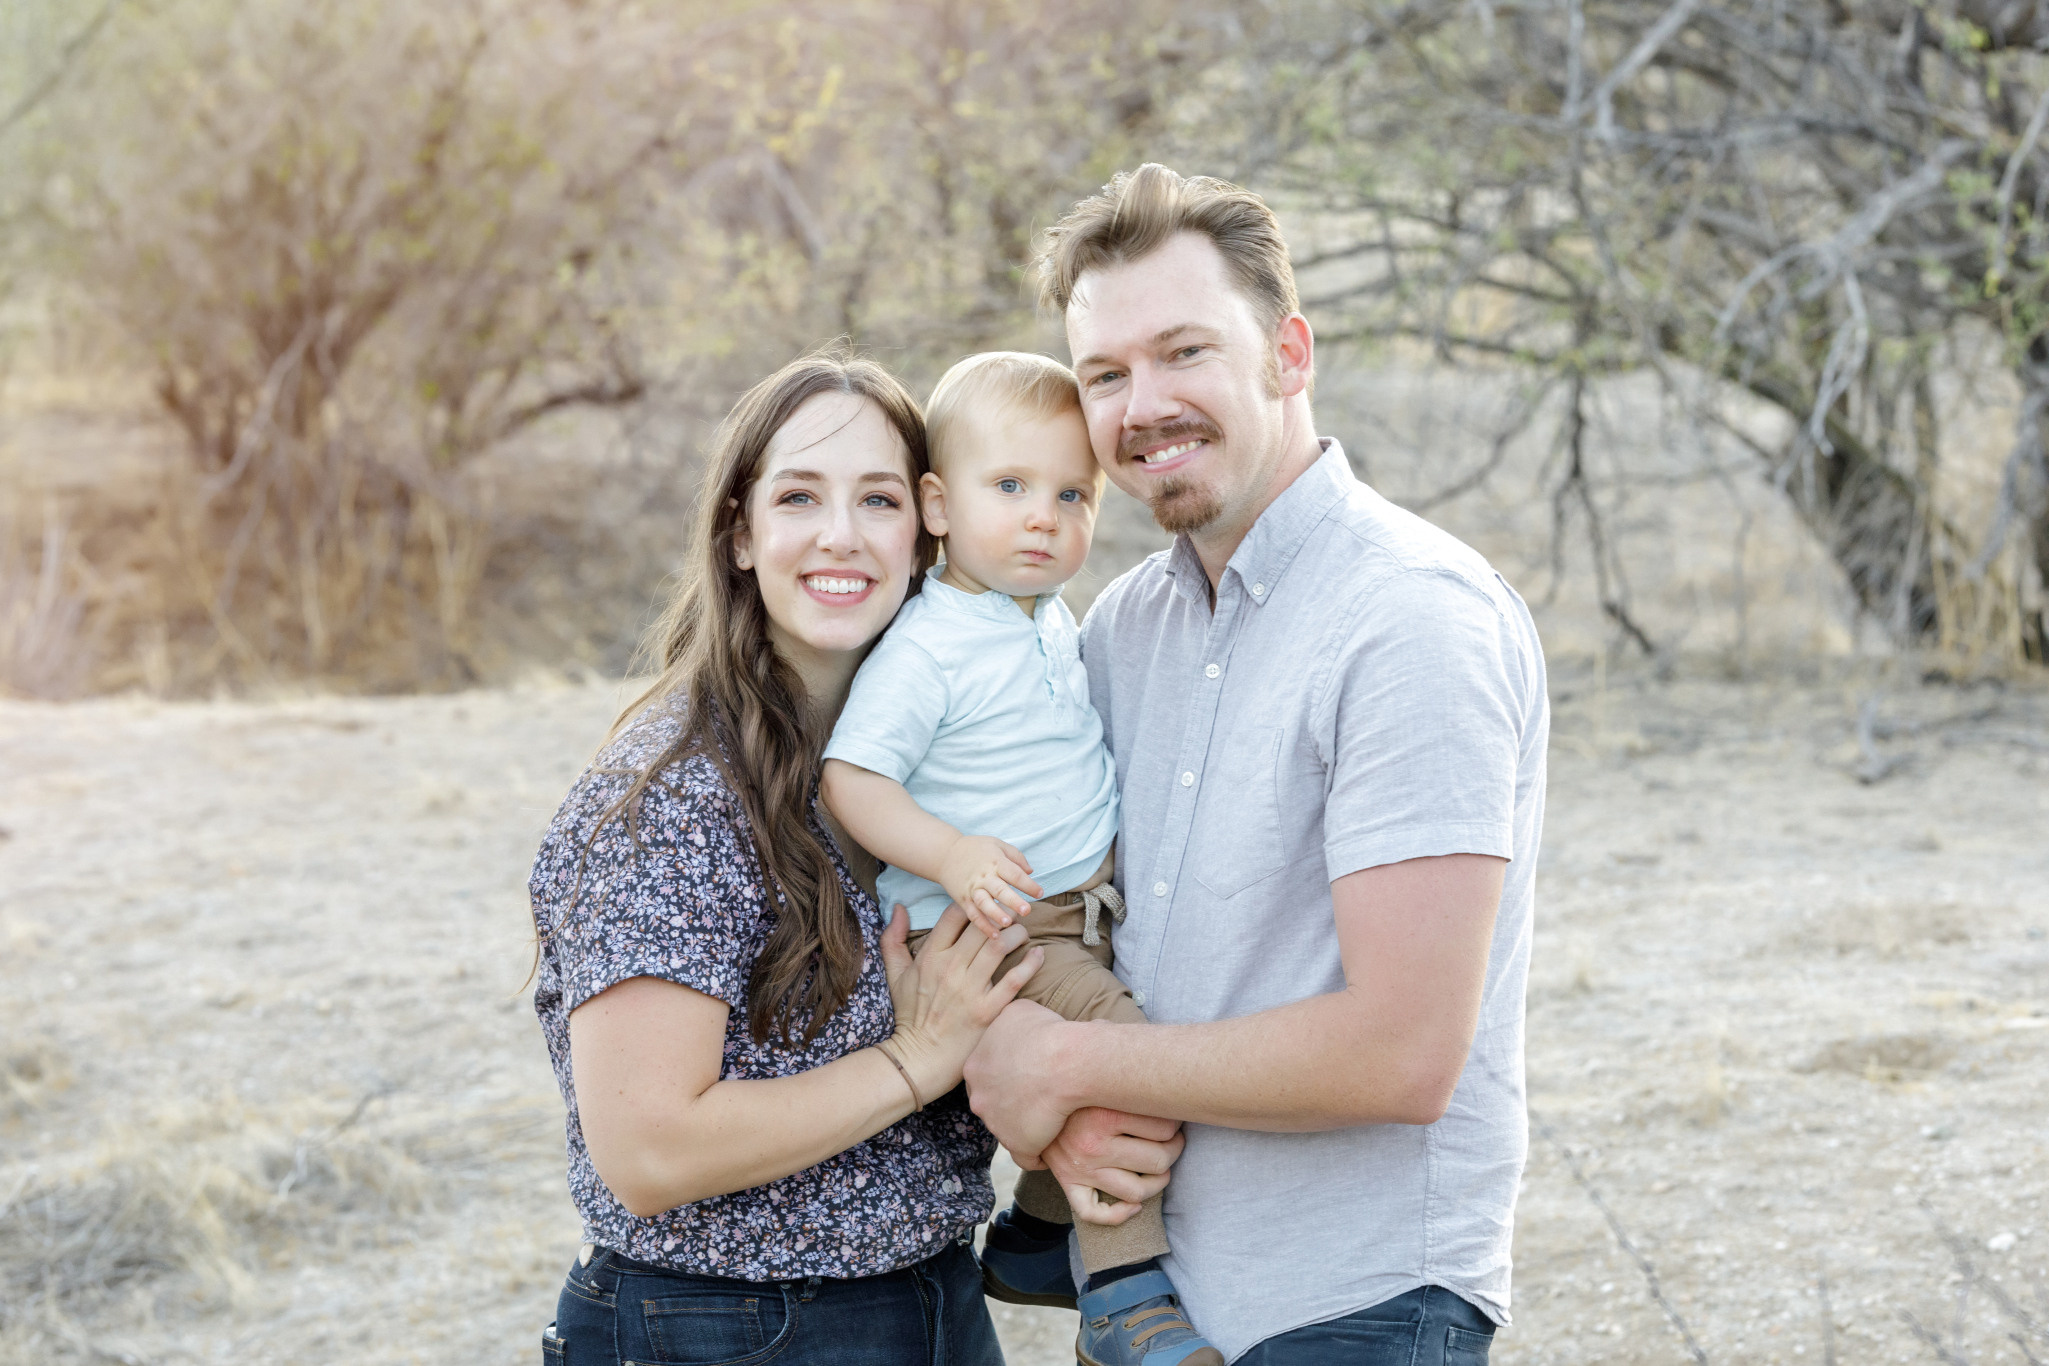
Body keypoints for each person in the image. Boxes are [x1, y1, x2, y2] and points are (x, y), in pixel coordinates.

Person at [964, 165, 1550, 1365]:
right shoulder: (1120, 628)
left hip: (1358, 1304)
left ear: (1289, 351)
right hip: (1151, 1303)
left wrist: (1067, 1062)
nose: (1144, 405)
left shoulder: (1412, 619)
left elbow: (1403, 1050)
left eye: (1186, 353)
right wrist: (1053, 1109)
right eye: (1106, 374)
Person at [528, 350, 1046, 1366]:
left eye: (879, 499)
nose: (840, 536)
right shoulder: (671, 797)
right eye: (799, 496)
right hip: (725, 1326)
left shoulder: (935, 768)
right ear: (740, 530)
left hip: (932, 1301)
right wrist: (912, 1060)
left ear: (930, 523)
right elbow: (647, 1148)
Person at [819, 351, 1220, 1366]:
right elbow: (852, 780)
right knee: (1130, 1063)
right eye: (1011, 489)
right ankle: (1124, 1295)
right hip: (1001, 927)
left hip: (1075, 911)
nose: (1045, 516)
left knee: (1114, 1054)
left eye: (1072, 493)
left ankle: (1038, 1239)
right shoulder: (928, 645)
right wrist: (950, 855)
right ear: (938, 505)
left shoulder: (1046, 620)